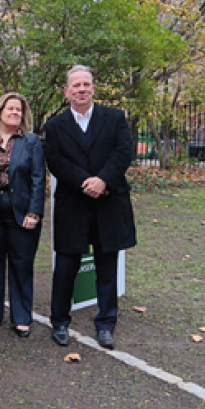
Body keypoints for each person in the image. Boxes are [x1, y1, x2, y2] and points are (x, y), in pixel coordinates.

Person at [44, 65, 136, 350]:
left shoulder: (115, 118)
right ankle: (59, 322)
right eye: (76, 85)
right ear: (67, 92)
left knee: (107, 268)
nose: (81, 89)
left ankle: (106, 324)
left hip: (109, 204)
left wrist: (103, 181)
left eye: (86, 84)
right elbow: (56, 161)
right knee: (66, 268)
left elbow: (124, 152)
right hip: (74, 205)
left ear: (93, 89)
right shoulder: (55, 126)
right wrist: (86, 181)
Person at [0, 93, 45, 337]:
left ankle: (21, 317)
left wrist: (35, 212)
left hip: (21, 210)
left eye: (19, 110)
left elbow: (39, 178)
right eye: (10, 109)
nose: (15, 113)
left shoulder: (31, 142)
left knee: (21, 264)